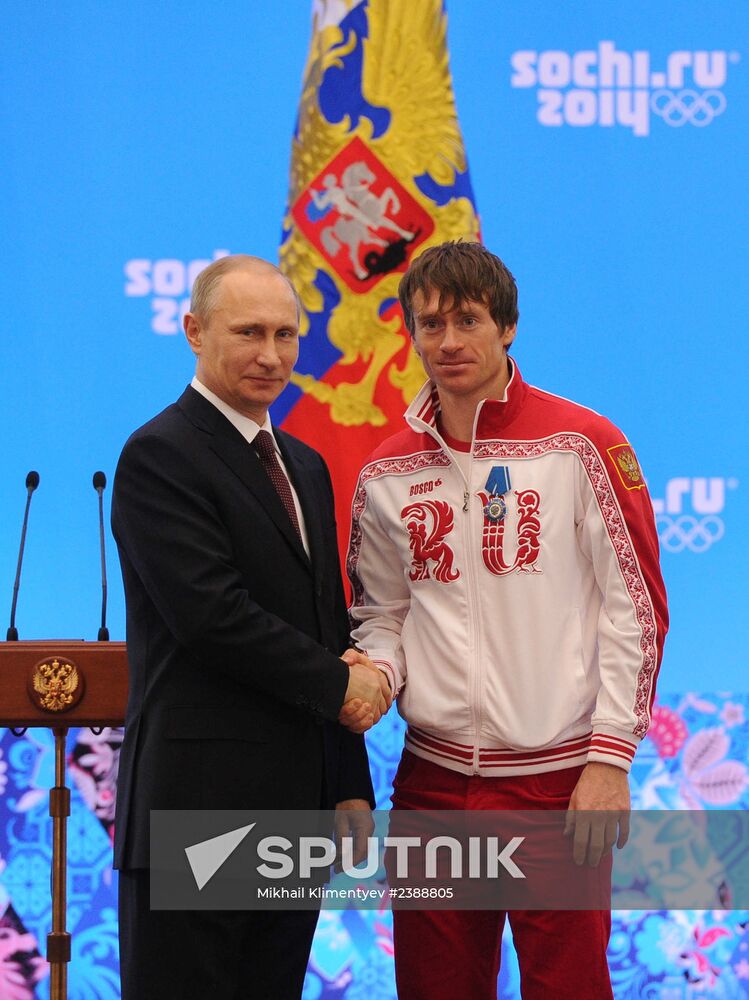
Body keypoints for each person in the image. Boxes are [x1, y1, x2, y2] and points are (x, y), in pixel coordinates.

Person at [345, 241, 668, 999]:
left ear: (507, 327)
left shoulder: (582, 444)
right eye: (429, 325)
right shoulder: (386, 471)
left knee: (568, 987)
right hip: (430, 781)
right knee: (434, 988)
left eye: (466, 320)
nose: (448, 342)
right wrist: (377, 675)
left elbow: (637, 609)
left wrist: (608, 759)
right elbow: (381, 615)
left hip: (557, 783)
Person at [111, 254, 390, 1000]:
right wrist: (344, 686)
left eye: (286, 335)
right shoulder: (160, 454)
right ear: (193, 331)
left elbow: (328, 622)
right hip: (197, 810)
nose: (271, 355)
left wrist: (348, 783)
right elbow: (212, 617)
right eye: (248, 333)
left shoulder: (303, 463)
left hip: (291, 811)